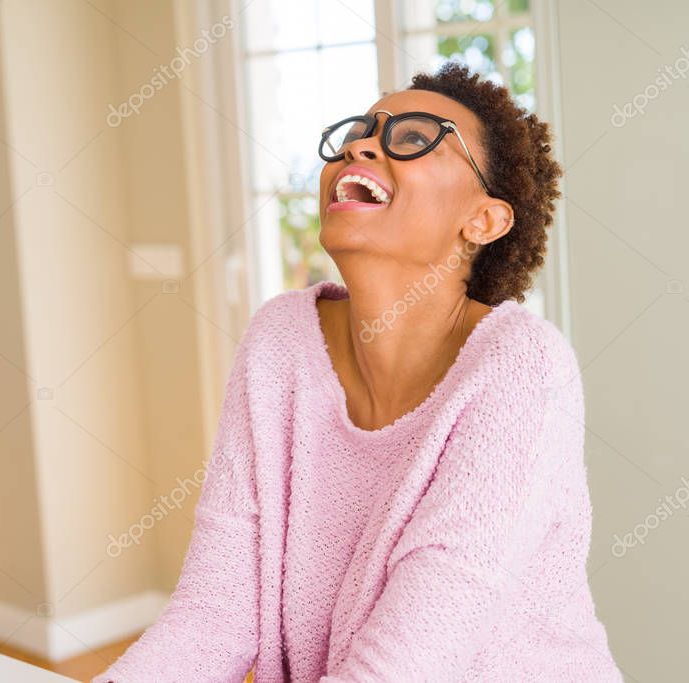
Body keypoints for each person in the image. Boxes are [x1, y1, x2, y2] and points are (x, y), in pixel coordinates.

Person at [94, 60, 622, 682]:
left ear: (483, 220)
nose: (361, 146)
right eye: (357, 134)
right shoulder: (280, 340)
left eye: (414, 136)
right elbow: (215, 615)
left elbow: (408, 663)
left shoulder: (522, 369)